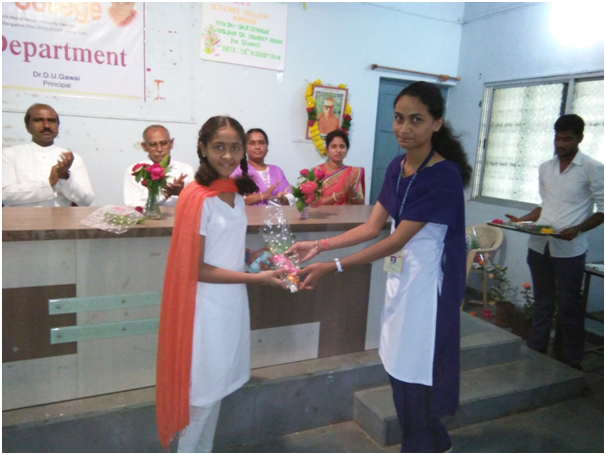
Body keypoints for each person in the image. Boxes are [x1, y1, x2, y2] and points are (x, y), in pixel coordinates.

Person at [287, 81, 471, 453]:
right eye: (399, 118)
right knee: (397, 363)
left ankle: (423, 443)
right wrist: (319, 245)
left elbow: (395, 240)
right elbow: (373, 227)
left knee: (415, 369)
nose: (404, 128)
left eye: (416, 120)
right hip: (401, 279)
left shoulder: (443, 175)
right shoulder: (397, 166)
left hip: (428, 287)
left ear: (436, 123)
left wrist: (332, 266)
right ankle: (433, 440)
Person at [155, 116, 288, 452]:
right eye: (219, 147)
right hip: (203, 308)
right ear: (202, 148)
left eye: (234, 148)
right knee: (200, 399)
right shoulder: (198, 197)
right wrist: (257, 278)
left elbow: (222, 248)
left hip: (230, 304)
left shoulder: (233, 194)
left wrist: (255, 256)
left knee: (214, 394)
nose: (228, 156)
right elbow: (196, 267)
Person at [505, 114, 604, 371]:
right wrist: (522, 220)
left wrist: (577, 229)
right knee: (543, 302)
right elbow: (545, 206)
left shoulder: (592, 168)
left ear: (580, 138)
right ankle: (535, 350)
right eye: (557, 138)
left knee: (570, 306)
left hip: (570, 250)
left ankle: (571, 360)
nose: (560, 144)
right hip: (539, 245)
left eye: (566, 139)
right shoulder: (545, 168)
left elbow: (602, 210)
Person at [2, 103, 94, 207]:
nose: (46, 125)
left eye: (51, 120)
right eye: (38, 120)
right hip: (20, 217)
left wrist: (65, 177)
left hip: (60, 217)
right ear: (27, 127)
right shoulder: (10, 155)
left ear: (58, 127)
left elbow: (86, 201)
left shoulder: (72, 158)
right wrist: (48, 185)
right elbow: (4, 195)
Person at [124, 125, 195, 207]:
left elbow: (195, 204)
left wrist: (181, 193)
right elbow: (132, 205)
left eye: (163, 143)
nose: (159, 149)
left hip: (178, 215)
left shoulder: (186, 169)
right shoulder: (136, 170)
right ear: (144, 147)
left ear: (171, 144)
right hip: (145, 216)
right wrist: (166, 194)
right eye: (153, 144)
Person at [230, 128, 294, 206]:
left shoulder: (277, 171)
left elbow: (290, 196)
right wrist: (263, 195)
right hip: (248, 214)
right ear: (244, 148)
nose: (257, 147)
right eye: (252, 143)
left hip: (275, 213)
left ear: (267, 147)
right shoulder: (237, 171)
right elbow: (231, 199)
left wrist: (281, 199)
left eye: (261, 143)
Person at [313, 130, 365, 205]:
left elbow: (360, 205)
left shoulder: (353, 172)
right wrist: (341, 192)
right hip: (323, 213)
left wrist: (351, 191)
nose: (338, 150)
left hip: (347, 213)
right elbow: (314, 203)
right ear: (327, 150)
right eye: (334, 146)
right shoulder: (318, 171)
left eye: (342, 146)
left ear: (347, 150)